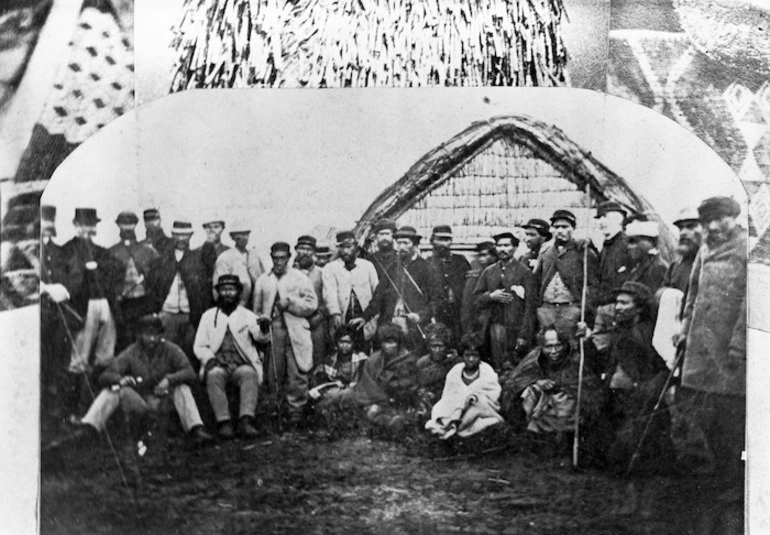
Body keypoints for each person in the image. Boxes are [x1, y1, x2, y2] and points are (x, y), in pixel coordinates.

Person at [674, 196, 746, 521]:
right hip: (698, 348)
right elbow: (692, 295)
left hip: (728, 348)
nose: (714, 227)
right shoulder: (704, 250)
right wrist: (683, 329)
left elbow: (754, 301)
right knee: (698, 408)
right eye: (708, 222)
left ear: (735, 218)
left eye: (721, 220)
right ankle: (707, 472)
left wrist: (739, 345)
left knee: (728, 415)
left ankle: (731, 482)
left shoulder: (750, 249)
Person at [79, 314, 213, 447]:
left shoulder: (171, 349)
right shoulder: (131, 352)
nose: (152, 339)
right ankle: (90, 427)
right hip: (140, 401)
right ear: (140, 336)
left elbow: (189, 372)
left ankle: (196, 429)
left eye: (157, 335)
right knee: (112, 391)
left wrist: (169, 379)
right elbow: (106, 375)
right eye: (148, 335)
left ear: (162, 335)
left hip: (164, 400)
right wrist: (120, 380)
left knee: (182, 388)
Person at [592, 281, 672, 472]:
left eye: (624, 303)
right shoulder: (624, 330)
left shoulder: (642, 334)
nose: (617, 307)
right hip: (619, 396)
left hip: (637, 400)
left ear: (639, 308)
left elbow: (650, 370)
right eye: (617, 302)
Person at [59, 208, 123, 420]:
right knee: (79, 360)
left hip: (104, 304)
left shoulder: (101, 251)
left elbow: (117, 268)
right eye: (84, 224)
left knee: (105, 357)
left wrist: (98, 265)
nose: (89, 229)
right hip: (82, 307)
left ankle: (100, 410)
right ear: (76, 226)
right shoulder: (67, 250)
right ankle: (74, 411)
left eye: (92, 224)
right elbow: (66, 278)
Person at [254, 242, 318, 428]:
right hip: (274, 332)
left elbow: (311, 304)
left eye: (283, 257)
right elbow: (256, 310)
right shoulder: (263, 280)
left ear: (289, 258)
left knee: (297, 370)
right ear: (271, 257)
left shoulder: (300, 278)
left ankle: (296, 414)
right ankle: (277, 411)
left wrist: (289, 303)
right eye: (276, 258)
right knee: (274, 373)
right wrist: (262, 319)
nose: (279, 261)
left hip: (296, 330)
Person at [194, 275, 265, 439]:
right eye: (224, 290)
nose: (228, 293)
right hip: (219, 363)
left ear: (238, 292)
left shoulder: (247, 315)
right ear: (218, 293)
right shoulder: (208, 316)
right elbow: (199, 345)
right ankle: (224, 422)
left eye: (231, 290)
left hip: (241, 364)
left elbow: (259, 336)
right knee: (213, 376)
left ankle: (246, 420)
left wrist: (263, 327)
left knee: (249, 374)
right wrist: (209, 359)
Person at [503, 325, 603, 437]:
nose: (553, 351)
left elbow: (591, 380)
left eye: (558, 346)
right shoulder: (535, 357)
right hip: (541, 404)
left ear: (565, 344)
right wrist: (536, 382)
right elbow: (516, 381)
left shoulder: (575, 357)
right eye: (548, 347)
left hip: (568, 406)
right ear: (541, 346)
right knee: (529, 392)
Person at [360, 226, 443, 352]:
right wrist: (364, 317)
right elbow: (378, 298)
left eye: (406, 243)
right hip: (391, 325)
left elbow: (436, 300)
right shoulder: (392, 268)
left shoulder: (427, 268)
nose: (401, 246)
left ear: (414, 245)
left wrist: (420, 316)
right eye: (399, 243)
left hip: (414, 328)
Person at [146, 220, 213, 361]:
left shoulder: (197, 259)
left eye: (185, 235)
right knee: (165, 351)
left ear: (191, 235)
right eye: (177, 235)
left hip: (189, 313)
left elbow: (204, 288)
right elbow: (154, 287)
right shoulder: (162, 259)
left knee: (190, 349)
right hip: (167, 313)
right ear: (172, 235)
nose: (181, 239)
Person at [473, 232, 537, 370]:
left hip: (516, 327)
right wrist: (490, 296)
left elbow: (530, 307)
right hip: (495, 327)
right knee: (497, 365)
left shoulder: (524, 272)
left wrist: (524, 335)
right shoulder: (489, 272)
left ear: (515, 248)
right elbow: (476, 300)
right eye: (499, 245)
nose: (502, 249)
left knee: (516, 365)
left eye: (506, 245)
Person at [424, 334, 504, 440]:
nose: (471, 359)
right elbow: (448, 396)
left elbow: (492, 396)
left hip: (477, 411)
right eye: (467, 355)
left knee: (481, 410)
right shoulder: (455, 371)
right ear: (462, 355)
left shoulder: (487, 372)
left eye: (475, 356)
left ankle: (456, 427)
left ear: (480, 356)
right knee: (439, 407)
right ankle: (453, 425)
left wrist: (475, 398)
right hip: (456, 407)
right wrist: (462, 401)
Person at [534, 209, 599, 341]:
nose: (560, 231)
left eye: (565, 227)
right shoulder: (545, 251)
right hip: (546, 309)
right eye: (556, 227)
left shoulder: (583, 251)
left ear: (573, 228)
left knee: (569, 345)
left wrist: (584, 311)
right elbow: (536, 279)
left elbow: (593, 285)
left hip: (571, 309)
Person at [344, 323, 420, 430]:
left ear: (398, 343)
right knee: (353, 398)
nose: (388, 346)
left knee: (375, 413)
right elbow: (367, 381)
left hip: (396, 400)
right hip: (375, 397)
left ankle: (391, 421)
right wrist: (378, 398)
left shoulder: (407, 360)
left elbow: (408, 385)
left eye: (392, 342)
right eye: (385, 342)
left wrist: (389, 390)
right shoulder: (374, 359)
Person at [109, 211, 160, 351]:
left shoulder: (148, 251)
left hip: (143, 302)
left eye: (130, 224)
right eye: (123, 224)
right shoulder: (111, 252)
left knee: (144, 336)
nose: (127, 228)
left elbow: (157, 280)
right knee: (123, 339)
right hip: (122, 304)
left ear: (135, 225)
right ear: (118, 225)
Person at [39, 205, 72, 425]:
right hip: (37, 316)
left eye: (50, 222)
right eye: (43, 222)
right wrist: (43, 288)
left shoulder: (61, 252)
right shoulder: (25, 251)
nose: (47, 227)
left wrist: (61, 289)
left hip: (58, 316)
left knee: (58, 362)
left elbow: (70, 281)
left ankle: (56, 412)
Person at [324, 231, 379, 350]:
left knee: (365, 349)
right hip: (343, 319)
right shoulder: (330, 268)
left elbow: (377, 292)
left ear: (356, 247)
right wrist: (335, 313)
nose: (345, 251)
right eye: (341, 247)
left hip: (365, 318)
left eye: (348, 247)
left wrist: (370, 315)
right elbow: (330, 293)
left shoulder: (367, 266)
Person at [591, 201, 633, 352]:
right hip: (604, 308)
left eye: (605, 217)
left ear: (618, 219)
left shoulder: (626, 244)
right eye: (599, 218)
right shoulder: (607, 246)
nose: (601, 222)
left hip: (618, 307)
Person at [427, 225, 471, 338]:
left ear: (451, 241)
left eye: (446, 240)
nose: (443, 244)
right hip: (436, 314)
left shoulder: (460, 261)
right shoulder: (427, 264)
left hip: (459, 312)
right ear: (432, 241)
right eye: (439, 239)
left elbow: (470, 286)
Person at [309, 326, 368, 407]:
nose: (344, 345)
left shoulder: (361, 359)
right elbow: (319, 378)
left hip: (354, 389)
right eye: (342, 342)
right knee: (330, 396)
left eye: (348, 342)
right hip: (335, 389)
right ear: (337, 343)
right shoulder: (330, 359)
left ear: (353, 343)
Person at [212, 220, 265, 308]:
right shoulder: (225, 257)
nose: (244, 237)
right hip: (235, 304)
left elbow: (263, 279)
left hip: (255, 304)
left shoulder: (254, 256)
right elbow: (217, 287)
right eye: (239, 234)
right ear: (232, 237)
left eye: (246, 234)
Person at [293, 235, 327, 367]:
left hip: (315, 321)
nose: (305, 252)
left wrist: (319, 316)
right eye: (301, 248)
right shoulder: (290, 273)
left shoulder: (322, 273)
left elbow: (327, 300)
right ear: (296, 251)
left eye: (309, 249)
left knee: (317, 357)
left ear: (314, 252)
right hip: (294, 322)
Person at [415, 323, 460, 413]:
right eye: (433, 346)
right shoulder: (422, 363)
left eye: (440, 346)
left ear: (446, 347)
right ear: (428, 347)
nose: (437, 350)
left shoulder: (456, 362)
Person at [460, 241, 497, 337]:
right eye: (480, 256)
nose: (481, 259)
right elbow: (467, 302)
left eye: (484, 255)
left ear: (494, 256)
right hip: (479, 321)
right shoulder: (476, 274)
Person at [663, 207, 703, 295]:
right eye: (681, 228)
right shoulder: (675, 267)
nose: (682, 233)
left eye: (691, 226)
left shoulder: (713, 263)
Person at [625, 221, 669, 297]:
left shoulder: (658, 267)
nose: (629, 247)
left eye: (633, 241)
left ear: (651, 242)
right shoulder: (641, 266)